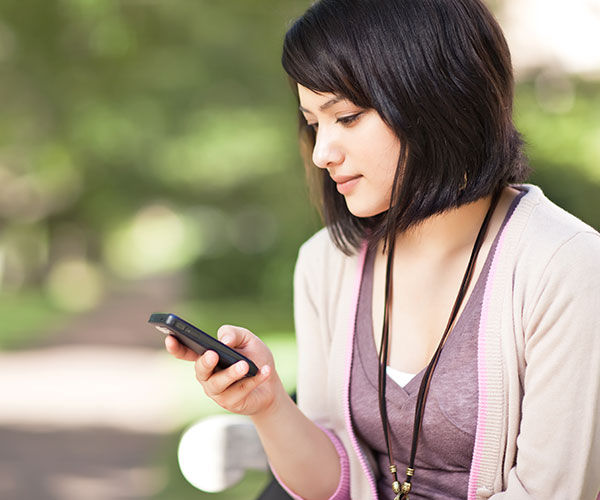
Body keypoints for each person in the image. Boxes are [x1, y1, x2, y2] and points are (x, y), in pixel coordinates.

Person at [166, 0, 600, 498]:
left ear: (438, 99)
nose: (323, 151)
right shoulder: (326, 264)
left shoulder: (567, 267)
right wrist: (267, 404)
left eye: (346, 117)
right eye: (314, 124)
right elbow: (335, 480)